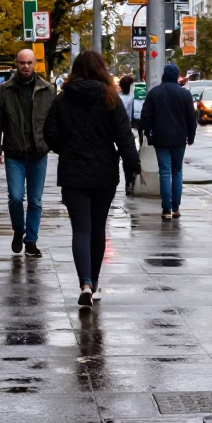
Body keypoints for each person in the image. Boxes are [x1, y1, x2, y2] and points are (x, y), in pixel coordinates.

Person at [44, 51, 140, 308]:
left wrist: (65, 149)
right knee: (98, 227)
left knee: (81, 229)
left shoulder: (63, 98)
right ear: (101, 70)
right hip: (104, 172)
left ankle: (84, 282)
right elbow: (124, 135)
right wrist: (133, 165)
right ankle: (93, 284)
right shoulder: (111, 98)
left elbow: (49, 133)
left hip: (72, 172)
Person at [0, 49, 56, 256]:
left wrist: (52, 143)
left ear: (35, 64)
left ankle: (31, 240)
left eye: (29, 63)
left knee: (35, 200)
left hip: (38, 153)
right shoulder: (4, 90)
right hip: (14, 152)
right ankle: (19, 229)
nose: (26, 66)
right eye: (22, 63)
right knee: (16, 198)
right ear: (16, 64)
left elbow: (55, 120)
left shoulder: (47, 89)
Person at [140, 62, 196, 220]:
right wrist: (190, 136)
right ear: (177, 76)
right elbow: (191, 118)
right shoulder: (184, 94)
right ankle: (176, 208)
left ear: (164, 75)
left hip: (161, 139)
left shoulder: (155, 93)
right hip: (179, 139)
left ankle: (166, 210)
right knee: (177, 172)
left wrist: (147, 134)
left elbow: (146, 116)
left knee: (165, 172)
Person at [118, 75, 137, 195]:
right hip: (131, 130)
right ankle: (130, 181)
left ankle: (127, 182)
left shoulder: (117, 98)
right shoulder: (133, 98)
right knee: (130, 157)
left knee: (124, 158)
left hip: (119, 131)